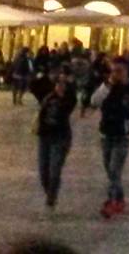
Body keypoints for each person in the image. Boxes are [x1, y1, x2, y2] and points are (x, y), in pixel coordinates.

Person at [90, 60, 129, 218]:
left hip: (123, 136)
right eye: (113, 71)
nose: (116, 74)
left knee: (115, 168)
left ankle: (112, 201)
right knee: (109, 168)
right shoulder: (107, 87)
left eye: (119, 71)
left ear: (126, 71)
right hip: (106, 133)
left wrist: (128, 126)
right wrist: (107, 86)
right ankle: (120, 198)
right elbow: (94, 101)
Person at [35, 67, 76, 208]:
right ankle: (50, 192)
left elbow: (70, 103)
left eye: (63, 84)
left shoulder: (69, 99)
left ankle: (52, 195)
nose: (60, 86)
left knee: (55, 168)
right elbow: (35, 86)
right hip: (44, 137)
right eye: (58, 83)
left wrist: (69, 86)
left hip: (60, 137)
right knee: (43, 171)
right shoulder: (48, 97)